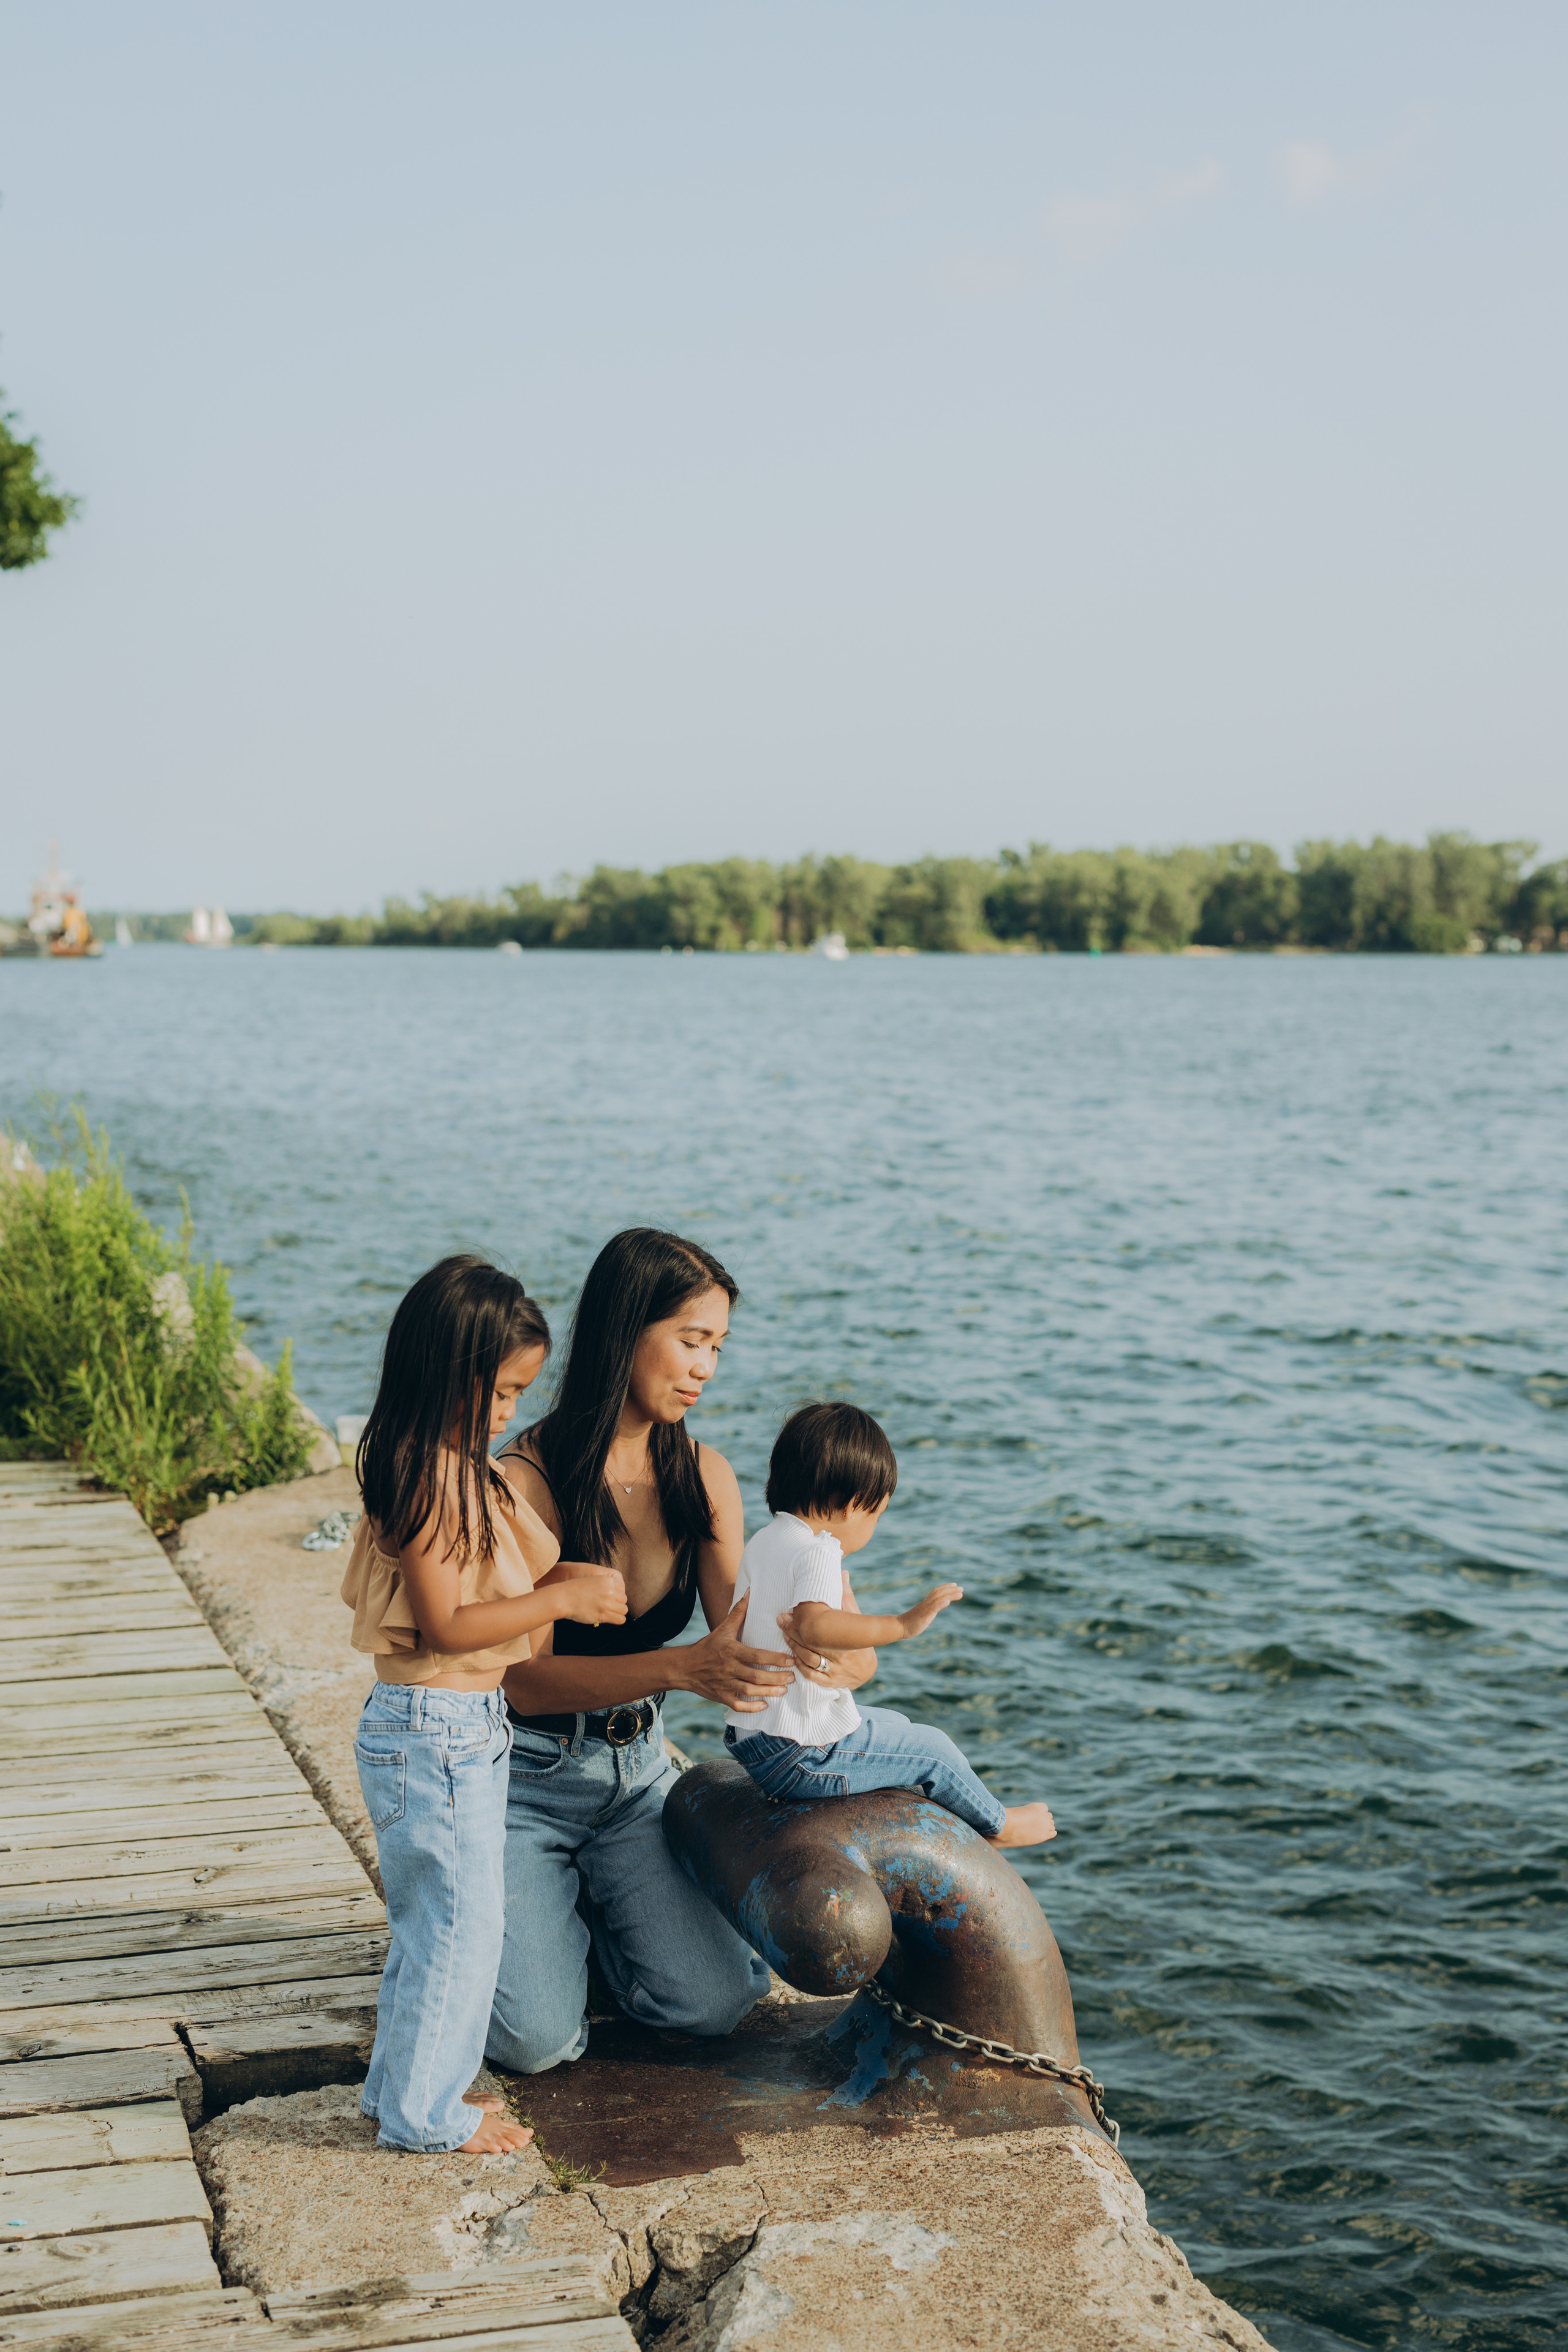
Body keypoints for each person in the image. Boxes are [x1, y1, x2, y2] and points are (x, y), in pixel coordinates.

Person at [484, 1229, 877, 2075]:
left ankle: (578, 1917)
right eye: (691, 1341)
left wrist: (836, 1634)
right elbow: (519, 1682)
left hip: (638, 1780)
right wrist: (680, 1668)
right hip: (526, 1780)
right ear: (625, 1331)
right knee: (536, 2043)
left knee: (714, 2005)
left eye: (718, 1348)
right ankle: (527, 1914)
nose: (705, 1367)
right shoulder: (524, 1479)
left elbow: (753, 1627)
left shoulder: (705, 1475)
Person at [343, 1256, 628, 2154]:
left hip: (446, 1730)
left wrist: (559, 1577)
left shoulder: (437, 1464)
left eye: (519, 1395)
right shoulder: (429, 1474)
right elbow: (446, 1622)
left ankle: (398, 2091)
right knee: (462, 1926)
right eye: (501, 1393)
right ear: (447, 1372)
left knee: (433, 1921)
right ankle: (428, 2117)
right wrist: (557, 1602)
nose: (509, 1414)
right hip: (439, 1733)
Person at [722, 1401, 1057, 1847]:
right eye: (877, 1513)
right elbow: (814, 1626)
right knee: (933, 1749)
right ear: (847, 1504)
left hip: (756, 1744)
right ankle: (996, 1827)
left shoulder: (766, 1541)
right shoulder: (819, 1549)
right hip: (801, 1756)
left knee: (895, 1723)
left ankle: (949, 1806)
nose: (875, 1524)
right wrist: (903, 1625)